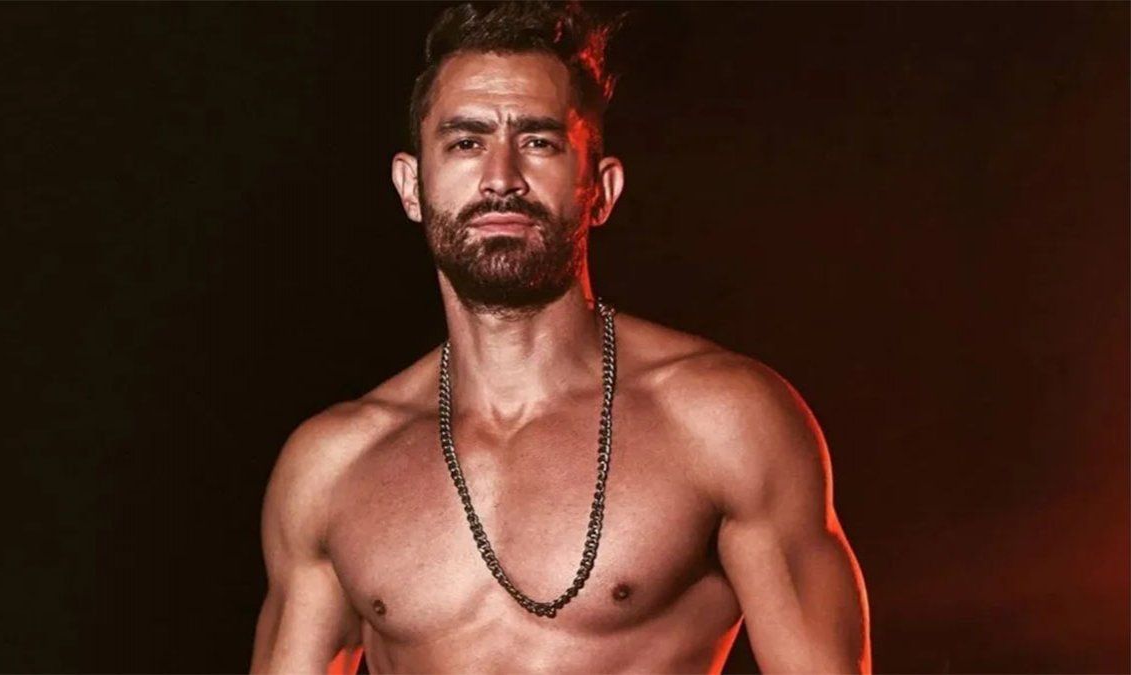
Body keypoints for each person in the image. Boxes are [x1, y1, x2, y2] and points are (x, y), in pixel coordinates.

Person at [250, 3, 871, 673]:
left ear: (599, 189)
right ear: (410, 186)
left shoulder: (724, 421)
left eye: (539, 142)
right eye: (465, 142)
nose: (500, 178)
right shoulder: (332, 469)